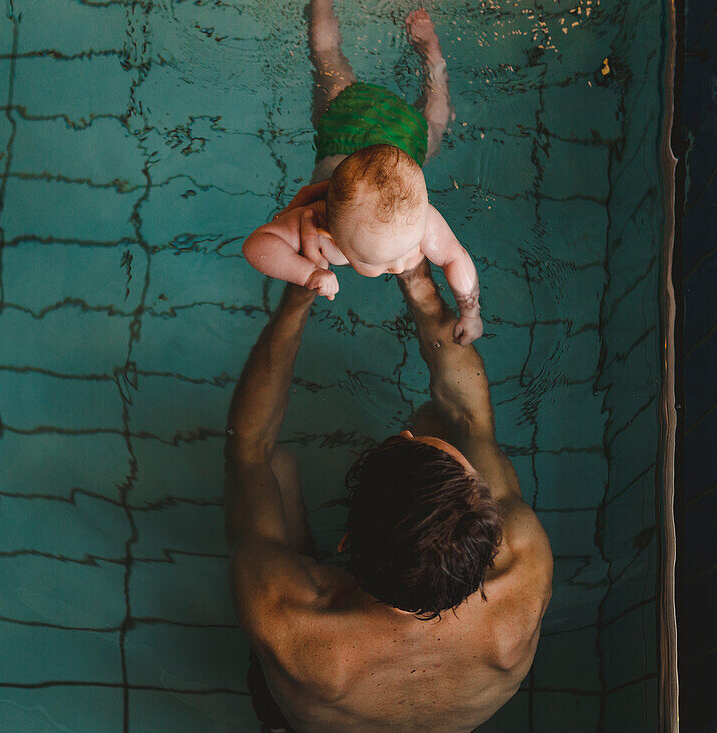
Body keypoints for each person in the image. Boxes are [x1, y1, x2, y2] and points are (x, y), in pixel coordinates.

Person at [223, 261, 553, 732]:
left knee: (272, 468)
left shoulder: (285, 614)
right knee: (443, 423)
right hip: (457, 697)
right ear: (487, 533)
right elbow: (470, 418)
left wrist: (297, 297)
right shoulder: (523, 568)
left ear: (346, 539)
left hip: (323, 685)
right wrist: (414, 271)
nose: (405, 431)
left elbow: (247, 449)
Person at [241, 5, 482, 345]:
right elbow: (256, 247)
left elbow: (457, 258)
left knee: (333, 63)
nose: (401, 266)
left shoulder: (421, 220)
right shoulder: (320, 219)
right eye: (384, 264)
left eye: (401, 255)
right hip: (350, 123)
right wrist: (306, 273)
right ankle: (430, 54)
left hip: (397, 136)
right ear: (330, 233)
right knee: (330, 60)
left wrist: (471, 311)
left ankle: (430, 52)